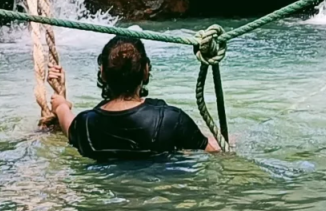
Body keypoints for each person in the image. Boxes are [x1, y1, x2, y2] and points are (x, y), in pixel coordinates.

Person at [47, 34, 218, 160]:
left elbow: (68, 125)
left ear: (103, 73)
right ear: (146, 71)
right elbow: (214, 151)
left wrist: (61, 103)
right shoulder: (171, 118)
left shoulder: (85, 125)